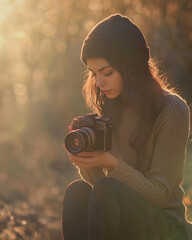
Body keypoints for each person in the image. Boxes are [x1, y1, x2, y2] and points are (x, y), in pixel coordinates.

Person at [62, 13, 192, 240]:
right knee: (77, 192)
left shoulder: (172, 109)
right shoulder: (111, 109)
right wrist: (86, 161)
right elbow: (106, 199)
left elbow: (160, 195)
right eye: (94, 74)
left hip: (168, 228)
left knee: (106, 189)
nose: (99, 82)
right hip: (127, 220)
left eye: (107, 72)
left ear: (130, 68)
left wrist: (111, 163)